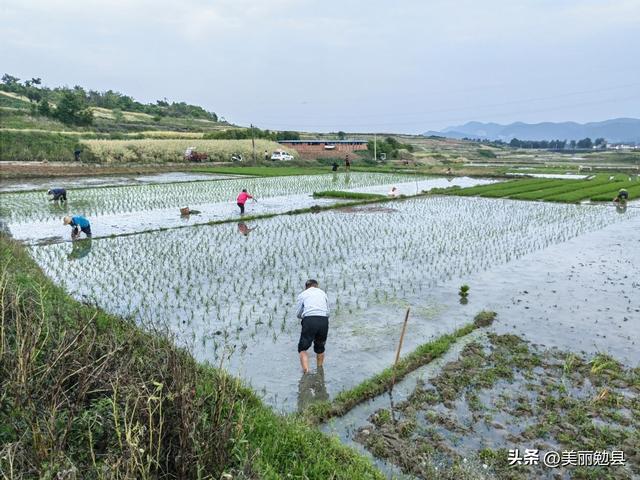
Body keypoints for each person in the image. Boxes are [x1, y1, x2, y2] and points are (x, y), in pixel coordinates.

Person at [295, 279, 329, 374]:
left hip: (310, 319)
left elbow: (298, 313)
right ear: (316, 286)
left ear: (306, 287)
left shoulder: (303, 294)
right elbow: (328, 311)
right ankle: (320, 370)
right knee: (320, 347)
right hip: (324, 320)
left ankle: (306, 372)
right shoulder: (323, 293)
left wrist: (304, 317)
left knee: (302, 348)